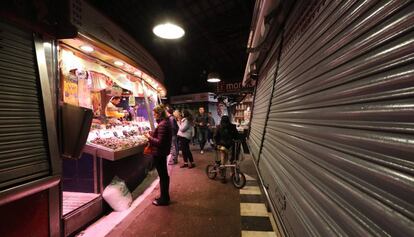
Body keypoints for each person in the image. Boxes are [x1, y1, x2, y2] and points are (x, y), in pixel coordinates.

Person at [144, 105, 172, 206]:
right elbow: (162, 138)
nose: (154, 115)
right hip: (161, 152)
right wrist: (153, 134)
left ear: (159, 114)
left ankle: (164, 199)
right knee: (164, 175)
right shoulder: (165, 123)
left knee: (163, 176)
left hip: (159, 153)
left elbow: (160, 142)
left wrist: (149, 137)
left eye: (155, 113)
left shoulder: (163, 124)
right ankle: (164, 196)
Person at [214, 115, 239, 182]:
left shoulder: (219, 127)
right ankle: (232, 174)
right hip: (231, 145)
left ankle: (223, 177)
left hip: (222, 146)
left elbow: (216, 137)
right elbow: (236, 136)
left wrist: (217, 144)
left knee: (223, 161)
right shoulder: (232, 126)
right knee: (231, 160)